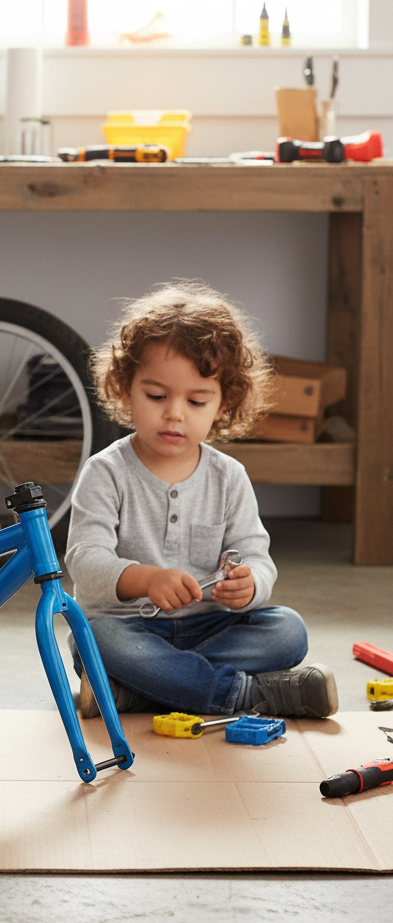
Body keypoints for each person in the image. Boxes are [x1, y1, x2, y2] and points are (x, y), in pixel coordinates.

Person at [65, 280, 338, 719]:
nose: (174, 412)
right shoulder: (106, 471)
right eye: (156, 396)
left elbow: (256, 556)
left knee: (288, 631)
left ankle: (140, 692)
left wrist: (250, 587)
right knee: (93, 639)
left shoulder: (229, 477)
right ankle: (244, 696)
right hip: (128, 627)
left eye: (196, 400)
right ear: (124, 388)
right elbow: (84, 560)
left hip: (212, 626)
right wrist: (147, 579)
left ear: (224, 404)